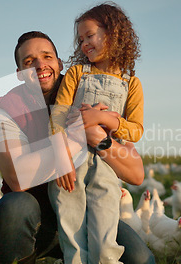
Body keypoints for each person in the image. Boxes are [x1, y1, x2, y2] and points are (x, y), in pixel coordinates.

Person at [0, 31, 155, 264]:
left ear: (60, 63)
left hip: (89, 211)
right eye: (29, 62)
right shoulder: (6, 108)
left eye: (47, 57)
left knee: (141, 260)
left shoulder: (87, 90)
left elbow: (135, 173)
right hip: (38, 220)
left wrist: (98, 136)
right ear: (19, 74)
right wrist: (77, 136)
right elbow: (17, 177)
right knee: (14, 207)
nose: (40, 65)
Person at [48, 3, 144, 263]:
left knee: (104, 244)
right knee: (74, 244)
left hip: (107, 167)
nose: (83, 44)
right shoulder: (78, 74)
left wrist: (104, 118)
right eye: (80, 40)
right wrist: (60, 157)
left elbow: (136, 130)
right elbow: (58, 115)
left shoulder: (131, 83)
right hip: (70, 162)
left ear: (112, 34)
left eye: (89, 36)